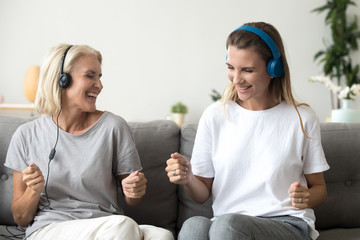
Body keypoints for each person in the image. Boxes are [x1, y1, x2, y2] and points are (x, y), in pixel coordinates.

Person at [165, 22, 329, 240]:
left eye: (247, 70)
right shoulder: (215, 116)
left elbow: (320, 189)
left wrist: (306, 196)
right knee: (193, 226)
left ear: (274, 69)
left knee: (227, 226)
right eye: (231, 67)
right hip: (226, 226)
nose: (236, 78)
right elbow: (201, 193)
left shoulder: (302, 118)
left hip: (287, 225)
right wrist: (188, 179)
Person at [5, 43, 174, 240]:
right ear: (62, 80)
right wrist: (33, 191)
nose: (99, 85)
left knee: (162, 236)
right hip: (51, 228)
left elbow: (133, 199)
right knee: (124, 226)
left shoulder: (114, 127)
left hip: (105, 226)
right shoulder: (26, 135)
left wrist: (135, 191)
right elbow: (21, 218)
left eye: (99, 77)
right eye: (90, 75)